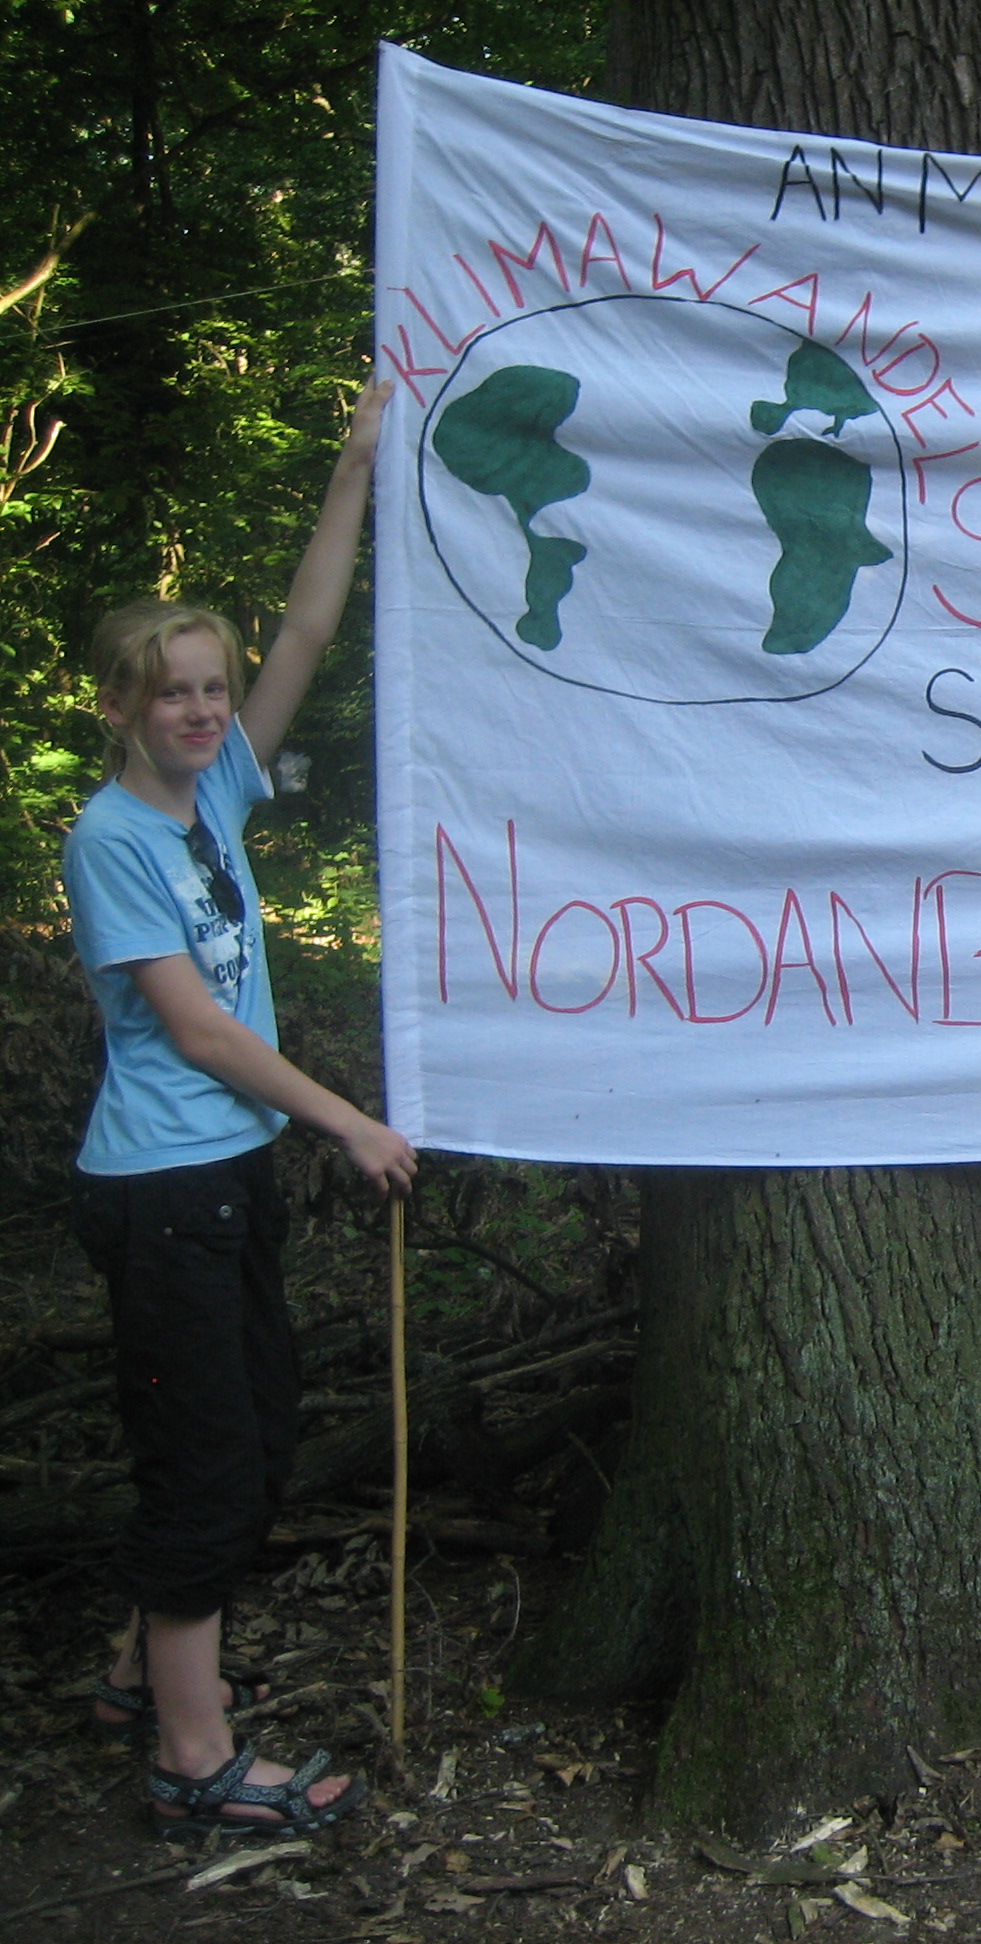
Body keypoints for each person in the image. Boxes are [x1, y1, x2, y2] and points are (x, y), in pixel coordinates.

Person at [65, 380, 416, 1840]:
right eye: (175, 693)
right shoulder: (112, 838)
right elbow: (199, 1031)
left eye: (213, 689)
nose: (206, 709)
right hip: (163, 1195)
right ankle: (194, 1763)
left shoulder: (211, 801)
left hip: (223, 1184)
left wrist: (351, 466)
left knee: (255, 1440)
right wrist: (347, 1117)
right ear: (122, 707)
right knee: (209, 1472)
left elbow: (312, 636)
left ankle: (149, 1666)